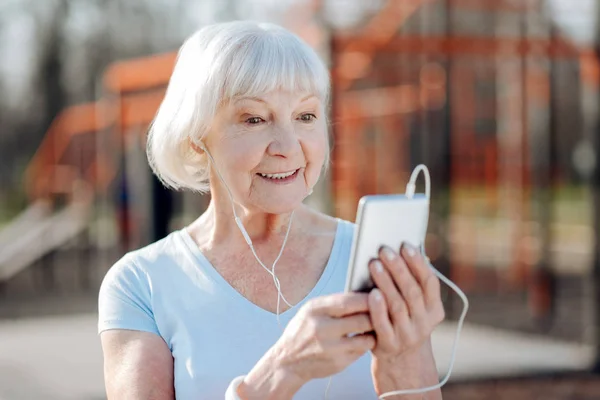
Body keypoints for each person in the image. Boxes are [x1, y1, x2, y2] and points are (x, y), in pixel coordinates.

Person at [98, 21, 445, 400]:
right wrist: (281, 372)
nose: (289, 146)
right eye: (255, 119)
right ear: (196, 139)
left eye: (305, 116)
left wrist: (401, 363)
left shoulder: (379, 265)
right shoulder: (140, 284)